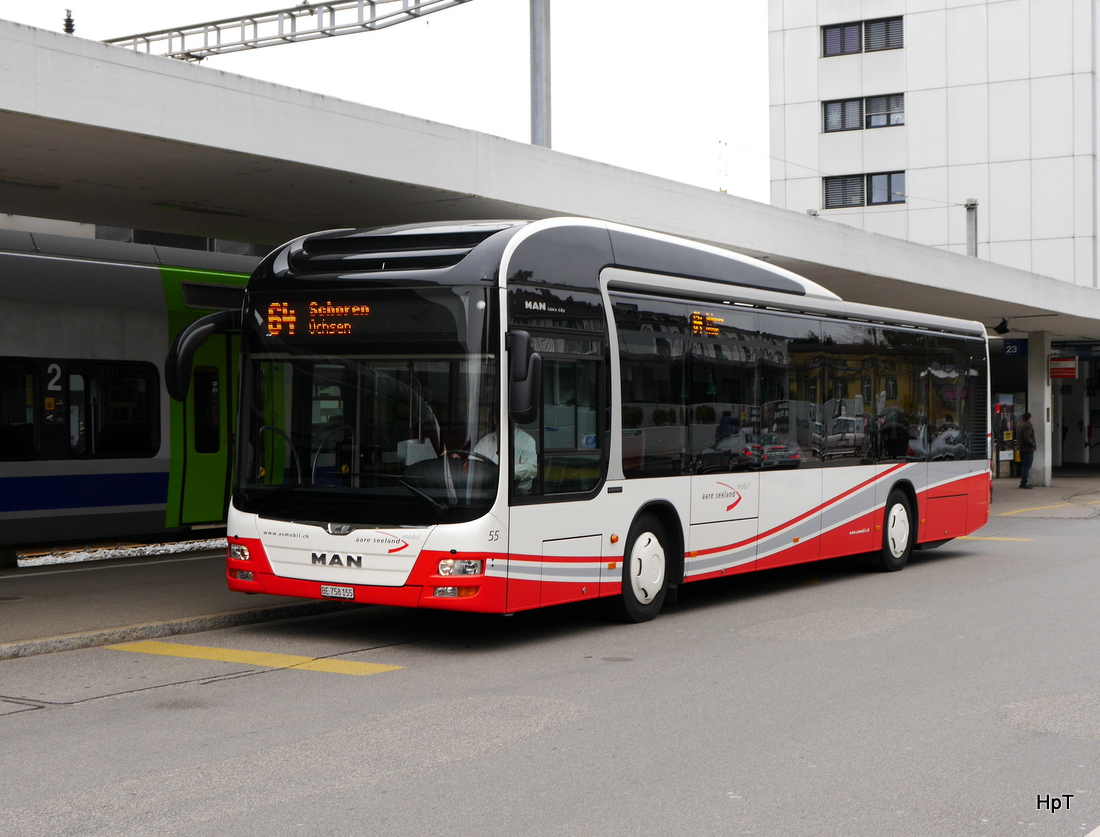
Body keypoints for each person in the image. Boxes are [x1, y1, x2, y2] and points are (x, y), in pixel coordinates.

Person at [472, 421, 538, 492]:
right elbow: (472, 464)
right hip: (485, 489)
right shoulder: (484, 441)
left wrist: (507, 470)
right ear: (495, 419)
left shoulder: (527, 440)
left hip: (516, 493)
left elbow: (531, 469)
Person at [1017, 411, 1036, 489]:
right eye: (1031, 417)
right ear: (1029, 418)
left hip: (1021, 448)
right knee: (1027, 466)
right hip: (1028, 448)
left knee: (1024, 466)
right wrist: (1033, 444)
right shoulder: (1028, 426)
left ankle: (1023, 482)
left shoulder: (1019, 424)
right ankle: (1024, 482)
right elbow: (1027, 437)